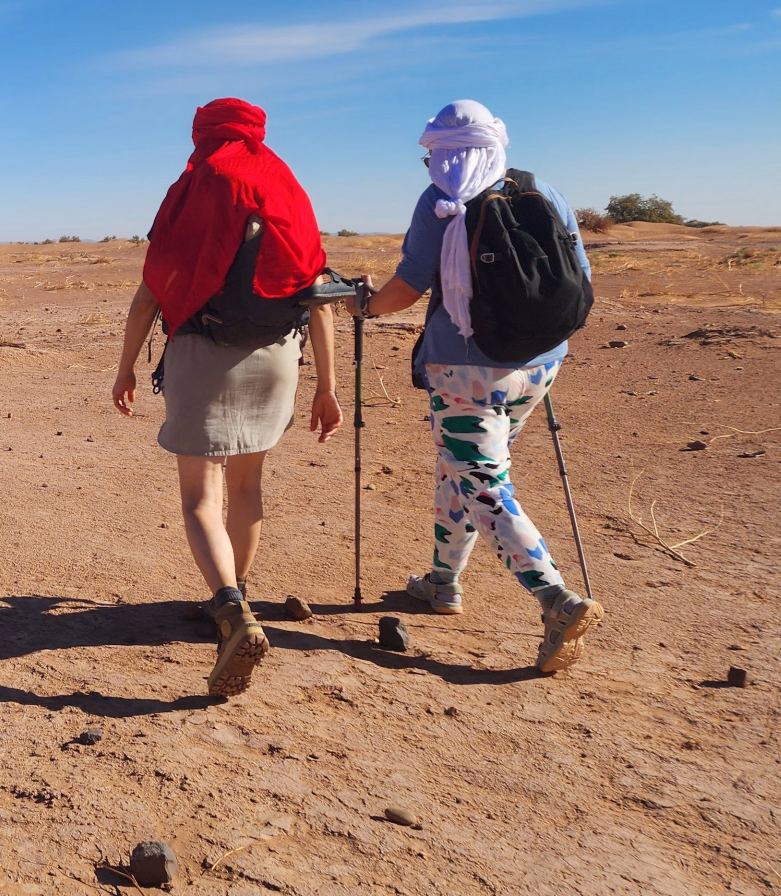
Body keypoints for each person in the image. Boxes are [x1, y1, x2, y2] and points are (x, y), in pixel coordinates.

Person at [344, 99, 603, 673]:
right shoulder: (544, 191)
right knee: (458, 468)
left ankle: (555, 599)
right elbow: (581, 279)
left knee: (482, 481)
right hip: (539, 364)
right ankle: (443, 581)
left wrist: (363, 306)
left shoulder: (442, 200)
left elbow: (409, 284)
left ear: (441, 152)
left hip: (464, 366)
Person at [111, 98, 340, 698]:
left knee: (198, 497)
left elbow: (150, 292)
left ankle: (232, 609)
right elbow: (317, 291)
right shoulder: (285, 186)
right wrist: (329, 386)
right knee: (246, 487)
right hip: (277, 358)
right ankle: (233, 594)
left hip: (202, 352)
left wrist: (127, 367)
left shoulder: (193, 186)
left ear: (201, 134)